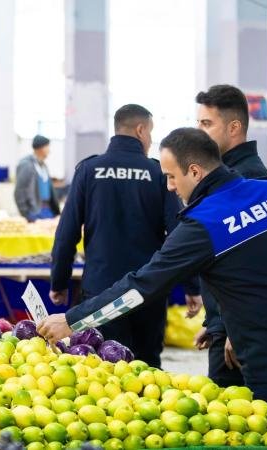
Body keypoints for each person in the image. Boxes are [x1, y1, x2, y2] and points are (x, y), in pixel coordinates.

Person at [38, 128, 267, 449]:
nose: (168, 186)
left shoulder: (203, 224)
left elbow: (141, 287)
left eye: (170, 176)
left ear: (194, 171)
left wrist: (73, 320)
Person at [49, 104, 199, 368]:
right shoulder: (156, 173)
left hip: (100, 292)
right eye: (150, 133)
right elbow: (178, 232)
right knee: (147, 368)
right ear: (140, 130)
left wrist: (58, 282)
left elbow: (67, 232)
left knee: (103, 369)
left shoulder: (89, 170)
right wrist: (192, 287)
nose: (151, 140)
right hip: (147, 292)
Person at [192, 84, 267, 387]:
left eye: (207, 124)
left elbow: (257, 266)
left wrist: (234, 330)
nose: (199, 132)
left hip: (241, 336)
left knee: (239, 425)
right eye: (198, 123)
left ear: (234, 127)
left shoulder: (248, 181)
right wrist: (214, 323)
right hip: (227, 328)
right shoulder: (227, 175)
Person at [14, 135, 60, 221]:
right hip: (34, 211)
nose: (49, 151)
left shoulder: (44, 166)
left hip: (47, 210)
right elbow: (19, 191)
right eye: (47, 147)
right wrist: (26, 213)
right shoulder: (26, 165)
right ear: (41, 148)